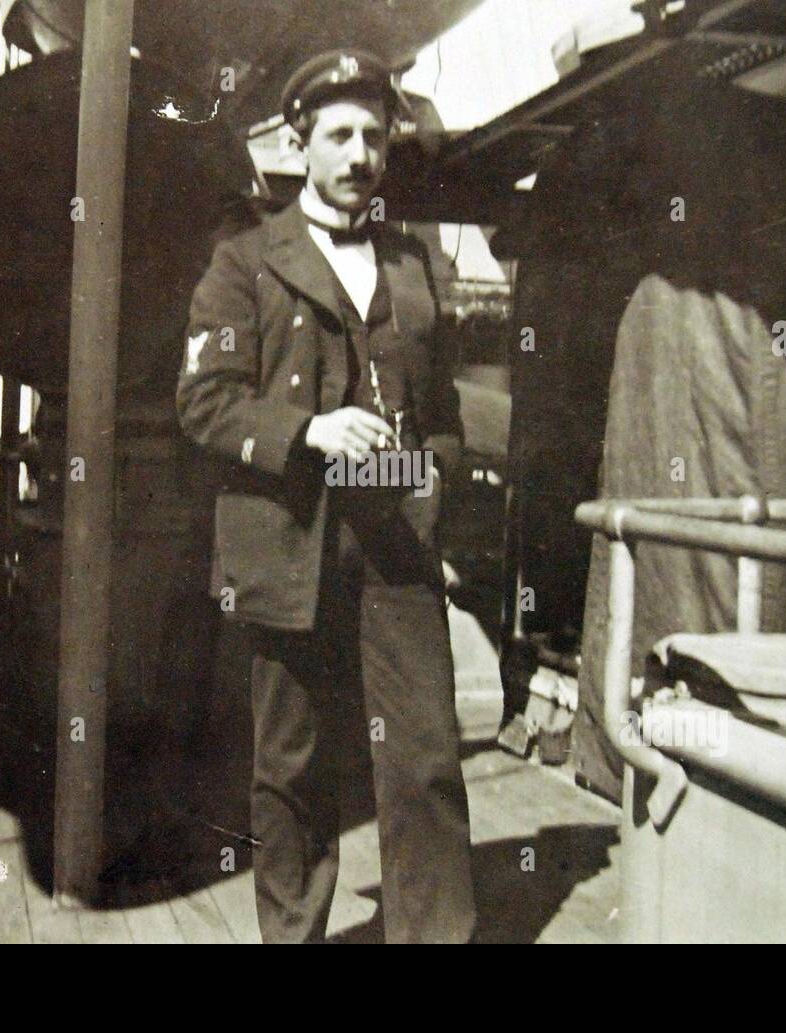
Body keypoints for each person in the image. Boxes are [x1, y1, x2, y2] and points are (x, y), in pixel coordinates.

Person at [177, 49, 477, 943]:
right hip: (286, 543)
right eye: (339, 135)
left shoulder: (414, 263)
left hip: (395, 548)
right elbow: (202, 402)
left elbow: (446, 409)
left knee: (424, 757)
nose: (359, 156)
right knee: (293, 767)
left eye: (374, 138)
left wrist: (434, 486)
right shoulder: (243, 262)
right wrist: (308, 430)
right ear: (300, 142)